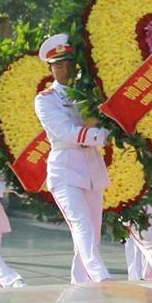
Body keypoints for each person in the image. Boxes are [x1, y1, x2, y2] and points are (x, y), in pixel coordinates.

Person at [31, 34, 112, 284]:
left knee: (92, 233)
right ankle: (101, 277)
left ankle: (81, 283)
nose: (64, 68)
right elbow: (64, 132)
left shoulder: (88, 94)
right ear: (50, 68)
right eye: (58, 64)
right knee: (82, 226)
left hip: (91, 169)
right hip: (65, 169)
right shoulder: (46, 99)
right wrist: (102, 135)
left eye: (68, 63)